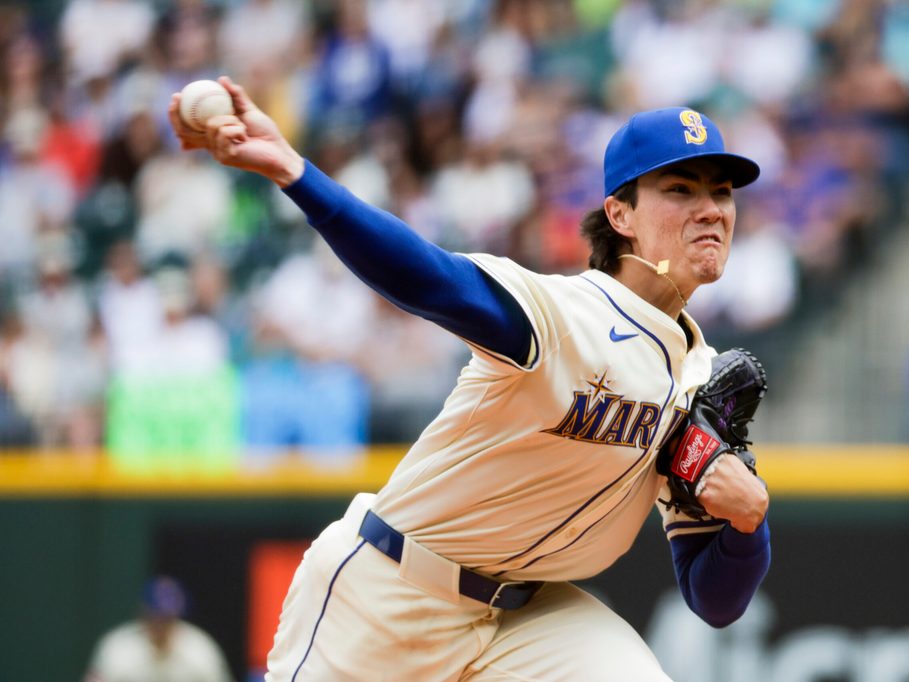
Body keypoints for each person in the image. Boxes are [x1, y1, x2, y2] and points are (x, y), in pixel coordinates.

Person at [169, 77, 771, 681]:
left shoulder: (700, 378)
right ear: (620, 214)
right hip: (393, 593)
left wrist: (747, 523)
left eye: (721, 192)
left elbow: (714, 599)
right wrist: (297, 174)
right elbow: (428, 279)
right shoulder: (566, 316)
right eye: (680, 188)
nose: (711, 209)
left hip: (527, 620)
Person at [83, 575, 232, 682]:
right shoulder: (118, 648)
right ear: (143, 614)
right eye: (156, 617)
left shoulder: (200, 649)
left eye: (167, 618)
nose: (162, 624)